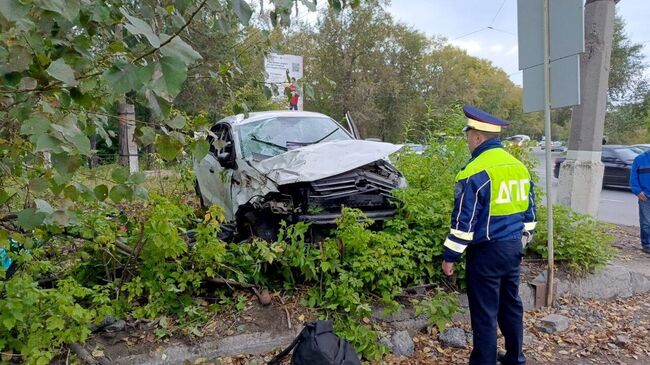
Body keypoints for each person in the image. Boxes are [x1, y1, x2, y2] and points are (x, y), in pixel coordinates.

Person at [441, 105, 537, 365]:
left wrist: (450, 256)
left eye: (468, 135)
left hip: (485, 253)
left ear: (478, 137)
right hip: (513, 249)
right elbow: (530, 216)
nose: (467, 140)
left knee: (485, 313)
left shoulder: (473, 172)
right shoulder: (519, 168)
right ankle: (516, 358)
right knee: (511, 305)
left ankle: (483, 361)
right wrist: (521, 243)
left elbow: (463, 222)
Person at [630, 149, 650, 253]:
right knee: (646, 223)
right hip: (645, 196)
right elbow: (633, 177)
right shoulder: (639, 159)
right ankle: (646, 244)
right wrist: (638, 191)